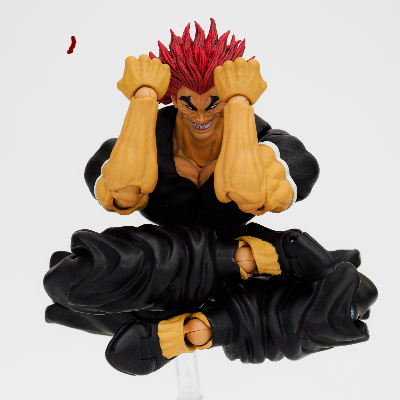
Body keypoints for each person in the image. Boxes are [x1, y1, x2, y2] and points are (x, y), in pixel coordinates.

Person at [44, 19, 378, 376]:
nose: (201, 116)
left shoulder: (271, 145)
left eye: (214, 103)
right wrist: (143, 99)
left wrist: (239, 104)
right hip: (162, 262)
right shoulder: (137, 142)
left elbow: (248, 194)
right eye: (189, 104)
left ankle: (189, 329)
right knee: (66, 280)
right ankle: (226, 299)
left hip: (228, 262)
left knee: (351, 298)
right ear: (173, 98)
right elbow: (123, 195)